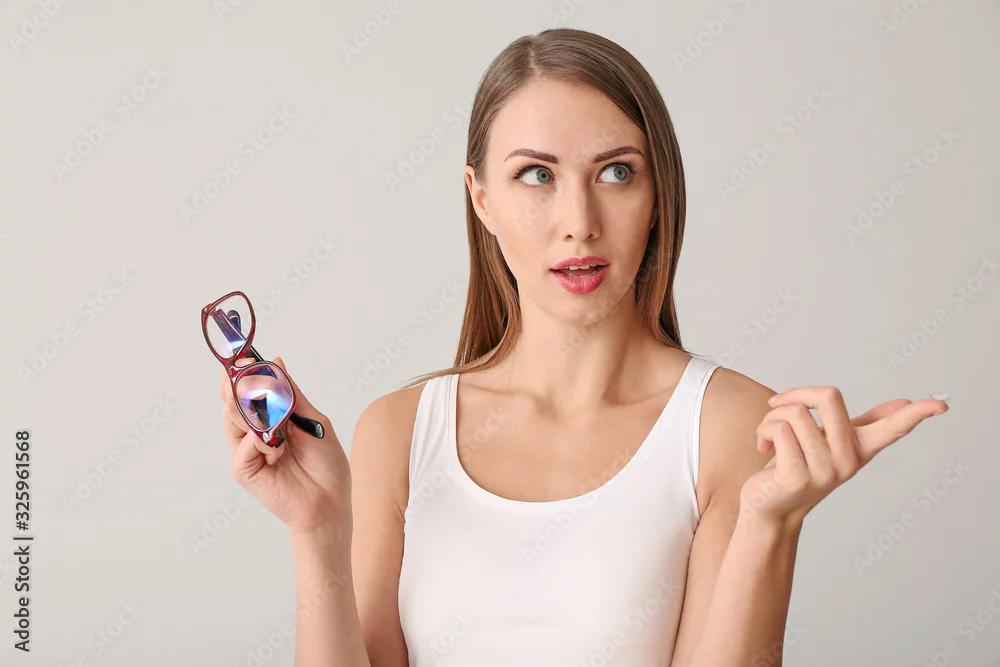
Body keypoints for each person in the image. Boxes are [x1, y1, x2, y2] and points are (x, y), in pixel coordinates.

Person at [218, 28, 949, 667]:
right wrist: (317, 532)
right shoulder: (400, 431)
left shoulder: (730, 424)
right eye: (536, 175)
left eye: (616, 172)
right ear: (481, 198)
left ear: (658, 195)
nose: (579, 221)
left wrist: (773, 524)